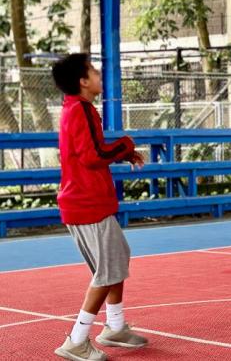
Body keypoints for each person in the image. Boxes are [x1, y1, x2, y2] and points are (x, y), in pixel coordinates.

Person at [51, 53, 148, 361]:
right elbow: (94, 155)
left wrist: (121, 153)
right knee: (107, 272)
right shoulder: (80, 110)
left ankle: (115, 326)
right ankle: (76, 340)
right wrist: (126, 145)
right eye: (93, 70)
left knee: (117, 260)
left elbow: (90, 152)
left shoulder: (78, 109)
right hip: (86, 203)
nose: (98, 74)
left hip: (87, 201)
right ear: (83, 81)